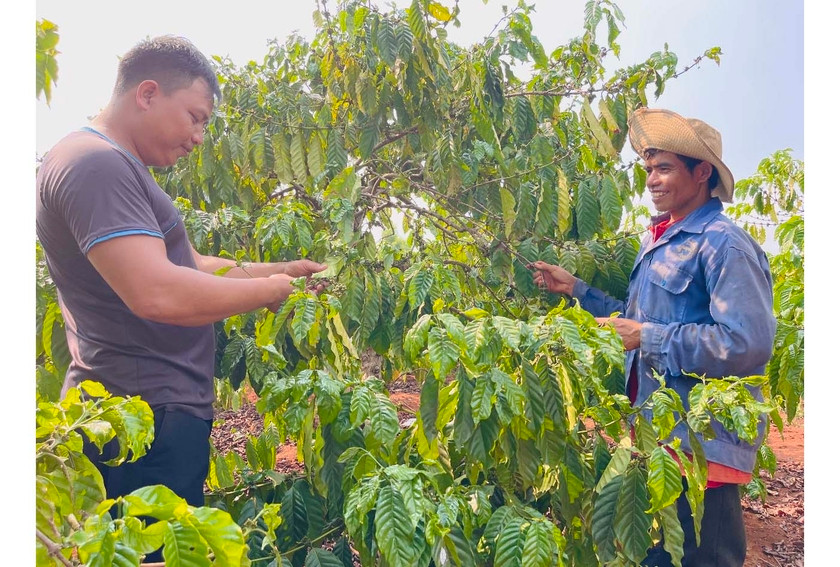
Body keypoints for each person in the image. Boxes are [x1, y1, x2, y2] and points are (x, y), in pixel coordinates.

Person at [36, 35, 325, 560]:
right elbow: (156, 292)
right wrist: (269, 292)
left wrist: (283, 272)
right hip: (138, 416)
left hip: (154, 411)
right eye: (195, 117)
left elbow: (187, 267)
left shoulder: (118, 166)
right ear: (147, 93)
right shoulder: (95, 165)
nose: (198, 137)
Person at [531, 108, 776, 566]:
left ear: (701, 173)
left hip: (701, 448)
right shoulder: (658, 242)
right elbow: (635, 321)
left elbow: (747, 343)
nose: (652, 181)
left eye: (664, 168)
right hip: (652, 441)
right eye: (648, 170)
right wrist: (575, 289)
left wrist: (648, 336)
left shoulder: (723, 243)